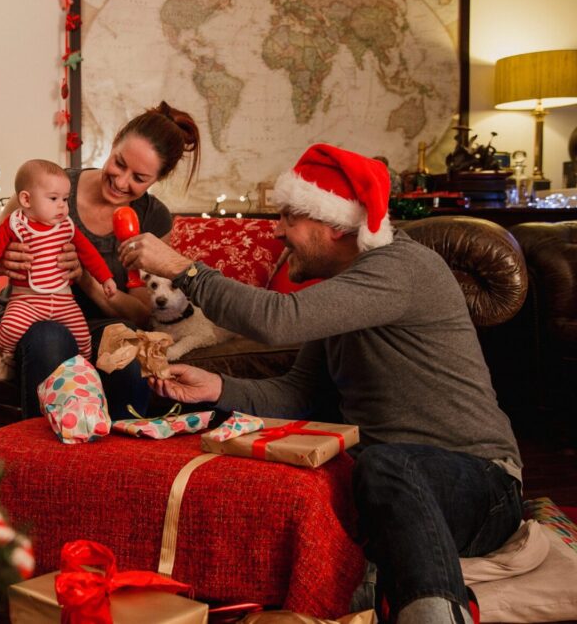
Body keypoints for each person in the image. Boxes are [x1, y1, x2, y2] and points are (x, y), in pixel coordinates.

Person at [119, 143, 522, 624]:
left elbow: (276, 320)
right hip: (386, 489)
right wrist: (217, 389)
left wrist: (185, 270)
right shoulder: (344, 292)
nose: (277, 230)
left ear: (332, 224)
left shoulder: (402, 268)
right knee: (331, 481)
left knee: (382, 464)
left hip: (480, 483)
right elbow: (299, 395)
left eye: (289, 216)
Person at [0, 101, 202, 420]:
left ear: (156, 180)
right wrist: (0, 263)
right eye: (119, 163)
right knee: (51, 337)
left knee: (127, 348)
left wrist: (87, 280)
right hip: (24, 321)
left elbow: (143, 314)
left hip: (93, 328)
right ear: (113, 142)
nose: (120, 182)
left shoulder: (152, 218)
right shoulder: (52, 187)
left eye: (139, 178)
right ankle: (40, 460)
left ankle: (119, 459)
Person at [0, 159, 117, 380]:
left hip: (64, 302)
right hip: (26, 302)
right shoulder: (15, 224)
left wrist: (105, 278)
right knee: (11, 327)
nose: (62, 205)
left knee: (82, 335)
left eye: (65, 199)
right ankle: (2, 357)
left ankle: (87, 370)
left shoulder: (67, 227)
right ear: (26, 199)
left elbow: (89, 254)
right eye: (53, 199)